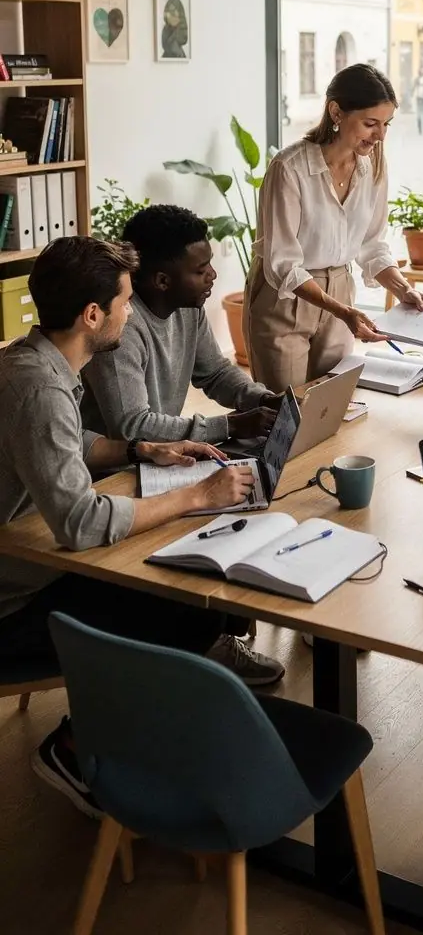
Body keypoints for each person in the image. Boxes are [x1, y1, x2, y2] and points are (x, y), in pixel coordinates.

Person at [0, 239, 285, 817]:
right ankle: (75, 747)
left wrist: (138, 447)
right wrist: (195, 496)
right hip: (13, 603)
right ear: (92, 316)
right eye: (126, 303)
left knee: (177, 592)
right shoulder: (41, 387)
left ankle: (155, 732)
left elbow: (65, 442)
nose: (131, 316)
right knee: (176, 602)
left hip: (30, 568)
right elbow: (81, 522)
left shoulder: (28, 361)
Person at [244, 63, 423, 392]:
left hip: (341, 291)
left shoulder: (373, 165)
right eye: (370, 123)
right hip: (286, 298)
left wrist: (404, 290)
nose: (380, 135)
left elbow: (372, 245)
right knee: (284, 414)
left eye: (386, 124)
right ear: (336, 112)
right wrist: (344, 311)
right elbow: (283, 265)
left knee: (328, 408)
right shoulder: (289, 168)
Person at [82, 204, 282, 446]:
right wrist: (230, 426)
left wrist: (263, 399)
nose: (213, 275)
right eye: (201, 271)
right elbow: (132, 427)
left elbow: (215, 373)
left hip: (162, 453)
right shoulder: (119, 328)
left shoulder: (188, 307)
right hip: (117, 470)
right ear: (163, 281)